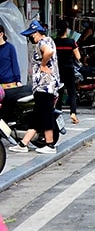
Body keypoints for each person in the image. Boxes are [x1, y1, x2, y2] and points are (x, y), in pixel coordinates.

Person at [9, 20, 60, 154]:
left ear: (36, 33)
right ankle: (23, 143)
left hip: (44, 86)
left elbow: (48, 52)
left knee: (45, 115)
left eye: (31, 35)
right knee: (37, 116)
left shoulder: (42, 43)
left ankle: (50, 145)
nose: (30, 38)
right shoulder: (49, 40)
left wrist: (43, 64)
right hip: (46, 85)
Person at [54, 20, 81, 124]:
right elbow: (78, 57)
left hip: (58, 70)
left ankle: (58, 114)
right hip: (69, 69)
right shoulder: (71, 42)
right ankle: (73, 113)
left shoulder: (54, 42)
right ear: (66, 30)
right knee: (71, 92)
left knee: (59, 92)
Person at [0, 24, 21, 90]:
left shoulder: (10, 48)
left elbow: (15, 64)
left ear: (1, 34)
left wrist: (18, 80)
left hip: (9, 83)